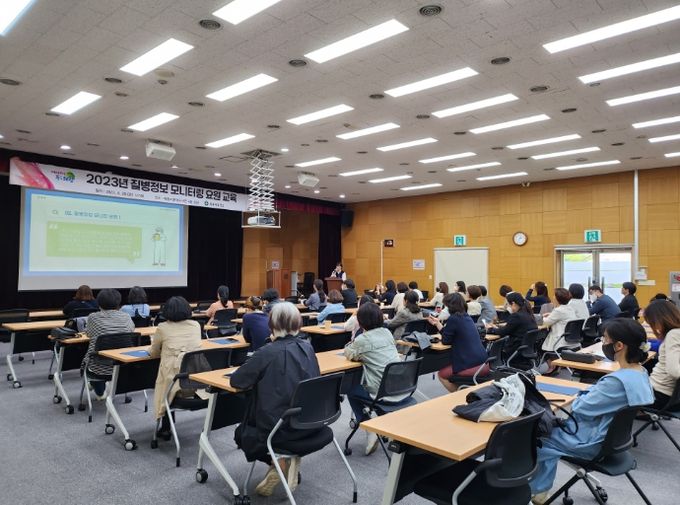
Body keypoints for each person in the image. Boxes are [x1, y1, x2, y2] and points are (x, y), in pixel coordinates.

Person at [530, 318, 654, 504]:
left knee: (538, 436)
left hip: (589, 442)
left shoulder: (616, 382)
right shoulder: (641, 373)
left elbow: (579, 408)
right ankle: (540, 490)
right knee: (551, 428)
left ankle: (535, 490)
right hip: (610, 440)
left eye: (605, 339)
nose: (603, 343)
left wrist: (586, 393)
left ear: (619, 345)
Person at [232, 302, 320, 497]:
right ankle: (284, 461)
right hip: (310, 423)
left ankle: (279, 462)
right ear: (298, 323)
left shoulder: (267, 352)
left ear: (271, 325)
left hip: (278, 429)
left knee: (242, 434)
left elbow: (237, 381)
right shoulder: (308, 347)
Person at [344, 302, 407, 455]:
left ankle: (369, 427)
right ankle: (383, 423)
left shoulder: (363, 339)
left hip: (382, 393)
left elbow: (349, 353)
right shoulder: (387, 333)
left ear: (361, 322)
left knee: (350, 388)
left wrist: (351, 345)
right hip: (401, 388)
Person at [148, 296, 203, 438]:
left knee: (166, 379)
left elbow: (154, 353)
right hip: (197, 382)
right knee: (171, 375)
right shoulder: (196, 325)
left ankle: (166, 428)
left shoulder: (162, 328)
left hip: (175, 384)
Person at [427, 293, 488, 392]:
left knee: (441, 374)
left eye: (446, 306)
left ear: (450, 306)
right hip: (483, 362)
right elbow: (448, 336)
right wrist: (437, 323)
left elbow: (446, 341)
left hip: (471, 364)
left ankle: (458, 396)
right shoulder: (466, 317)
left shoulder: (453, 318)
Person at [81, 289, 135, 398]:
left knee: (92, 363)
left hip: (98, 367)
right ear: (118, 302)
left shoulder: (93, 317)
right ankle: (97, 386)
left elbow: (89, 334)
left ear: (99, 303)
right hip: (123, 366)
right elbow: (131, 330)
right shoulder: (126, 316)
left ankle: (98, 389)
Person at [644, 300, 680, 409]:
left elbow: (674, 371)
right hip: (665, 393)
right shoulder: (676, 333)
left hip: (658, 393)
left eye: (652, 323)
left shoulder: (673, 334)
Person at [485, 292, 537, 367]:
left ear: (513, 303)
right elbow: (509, 329)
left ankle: (493, 367)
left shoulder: (517, 316)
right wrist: (497, 328)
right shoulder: (528, 314)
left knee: (492, 347)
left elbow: (504, 332)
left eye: (509, 305)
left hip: (514, 348)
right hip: (524, 348)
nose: (508, 307)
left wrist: (490, 329)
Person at [540, 288, 577, 352]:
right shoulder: (570, 308)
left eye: (554, 295)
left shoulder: (558, 310)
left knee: (540, 346)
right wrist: (551, 314)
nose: (553, 297)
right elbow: (561, 317)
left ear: (557, 298)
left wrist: (541, 317)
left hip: (560, 341)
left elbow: (545, 322)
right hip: (571, 340)